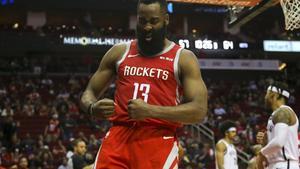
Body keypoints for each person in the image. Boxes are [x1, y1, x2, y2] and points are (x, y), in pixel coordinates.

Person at [80, 0, 208, 168]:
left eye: (154, 21)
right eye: (142, 21)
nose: (147, 27)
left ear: (166, 20)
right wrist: (92, 107)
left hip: (158, 139)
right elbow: (89, 92)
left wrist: (150, 111)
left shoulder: (183, 58)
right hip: (118, 137)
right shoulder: (119, 52)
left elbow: (199, 111)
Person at [256, 81, 299, 169]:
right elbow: (280, 144)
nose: (265, 97)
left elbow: (279, 142)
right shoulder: (276, 114)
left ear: (274, 95)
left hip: (285, 164)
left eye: (267, 94)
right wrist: (266, 141)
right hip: (277, 164)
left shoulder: (282, 112)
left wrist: (261, 153)